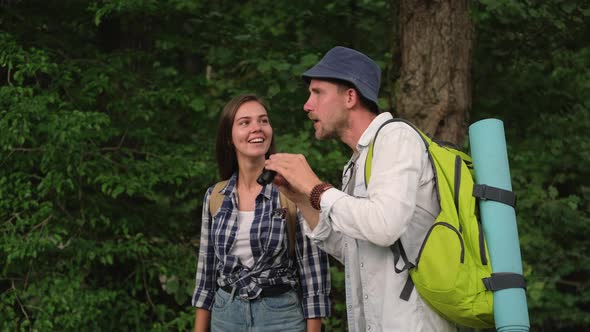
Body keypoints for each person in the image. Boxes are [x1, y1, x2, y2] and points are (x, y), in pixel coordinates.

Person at [264, 47, 457, 331]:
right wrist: (303, 200)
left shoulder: (395, 137)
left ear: (350, 97)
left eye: (318, 92)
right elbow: (352, 248)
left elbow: (384, 226)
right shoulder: (358, 161)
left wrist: (316, 188)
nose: (307, 105)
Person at [191, 93, 331, 332]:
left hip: (282, 318)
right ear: (228, 137)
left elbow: (313, 272)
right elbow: (206, 275)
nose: (257, 128)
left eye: (263, 121)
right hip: (226, 317)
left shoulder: (293, 189)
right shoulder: (215, 196)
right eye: (245, 122)